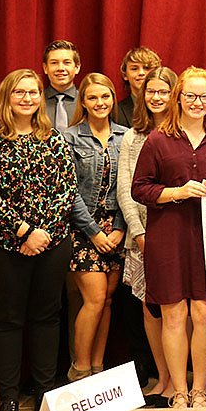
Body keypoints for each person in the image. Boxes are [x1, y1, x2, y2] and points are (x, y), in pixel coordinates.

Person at [0, 69, 77, 411]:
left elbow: (66, 190)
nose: (28, 98)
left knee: (47, 317)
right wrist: (25, 232)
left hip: (52, 243)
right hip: (3, 245)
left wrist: (41, 233)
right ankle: (10, 398)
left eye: (33, 92)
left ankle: (46, 393)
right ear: (7, 97)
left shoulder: (55, 140)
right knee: (8, 319)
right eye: (20, 92)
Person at [132, 67, 206, 408]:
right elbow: (140, 189)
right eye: (189, 95)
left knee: (203, 315)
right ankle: (178, 391)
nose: (197, 102)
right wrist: (175, 192)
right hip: (168, 237)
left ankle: (200, 391)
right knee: (173, 314)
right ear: (179, 98)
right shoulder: (158, 139)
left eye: (203, 96)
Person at [117, 67, 178, 405]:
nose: (157, 97)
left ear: (175, 94)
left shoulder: (185, 133)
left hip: (177, 236)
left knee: (176, 310)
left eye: (164, 91)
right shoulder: (132, 136)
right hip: (141, 238)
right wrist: (139, 232)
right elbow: (126, 189)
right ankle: (162, 377)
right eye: (151, 91)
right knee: (149, 309)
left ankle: (177, 379)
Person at [62, 74, 129, 383]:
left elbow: (128, 187)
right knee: (95, 298)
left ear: (112, 99)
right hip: (82, 230)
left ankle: (98, 369)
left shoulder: (125, 136)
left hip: (116, 229)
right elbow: (69, 192)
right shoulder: (69, 138)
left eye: (105, 97)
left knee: (108, 300)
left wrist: (117, 229)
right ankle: (80, 370)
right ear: (83, 102)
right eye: (92, 98)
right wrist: (93, 232)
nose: (100, 103)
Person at [114, 47, 162, 127]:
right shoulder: (117, 112)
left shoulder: (170, 108)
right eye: (134, 69)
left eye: (147, 68)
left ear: (157, 73)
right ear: (125, 75)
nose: (141, 73)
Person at [42, 40, 81, 131]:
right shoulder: (35, 102)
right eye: (54, 63)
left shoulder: (86, 102)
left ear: (77, 68)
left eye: (67, 62)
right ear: (45, 68)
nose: (60, 68)